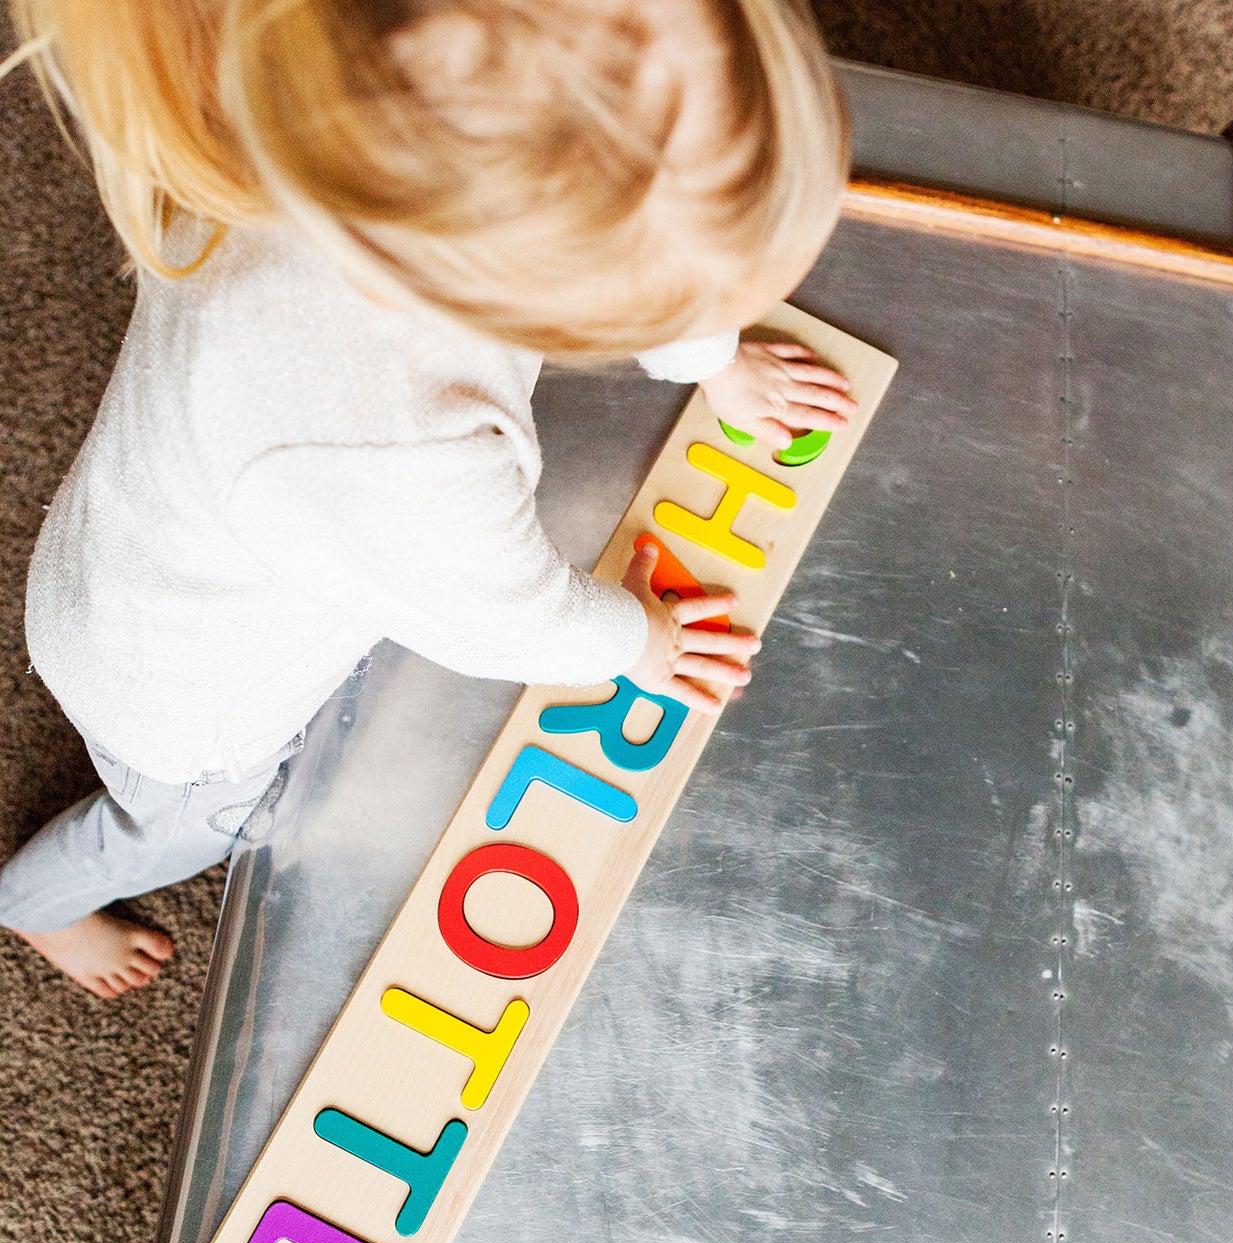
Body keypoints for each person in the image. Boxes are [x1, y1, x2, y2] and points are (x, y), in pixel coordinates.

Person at [0, 0, 859, 999]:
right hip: (182, 699)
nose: (716, 312)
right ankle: (36, 901)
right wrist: (641, 644)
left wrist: (710, 355)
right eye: (677, 304)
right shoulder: (383, 438)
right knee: (197, 822)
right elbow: (501, 616)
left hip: (134, 552)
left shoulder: (338, 110)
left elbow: (657, 210)